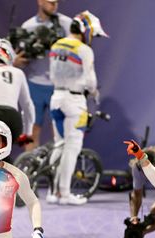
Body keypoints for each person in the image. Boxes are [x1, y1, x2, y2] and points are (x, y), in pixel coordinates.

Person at [46, 10, 108, 205]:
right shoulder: (84, 49)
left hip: (56, 97)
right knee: (71, 148)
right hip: (74, 102)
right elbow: (91, 81)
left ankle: (51, 192)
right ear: (86, 30)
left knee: (58, 145)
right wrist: (94, 92)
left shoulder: (56, 44)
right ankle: (64, 194)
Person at [14, 0, 72, 150]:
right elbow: (20, 58)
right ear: (40, 1)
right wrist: (18, 61)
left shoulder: (66, 24)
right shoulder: (28, 26)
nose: (54, 5)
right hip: (35, 85)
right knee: (32, 130)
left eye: (56, 2)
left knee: (59, 131)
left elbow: (78, 51)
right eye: (50, 2)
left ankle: (59, 171)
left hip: (59, 85)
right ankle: (30, 169)